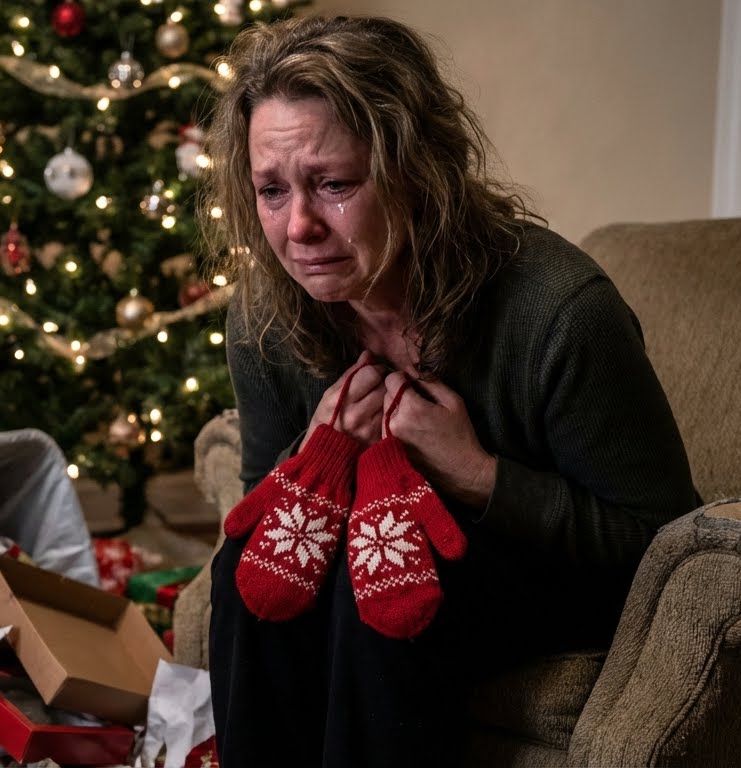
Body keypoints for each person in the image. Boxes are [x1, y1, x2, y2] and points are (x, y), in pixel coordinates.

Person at [199, 14, 701, 767]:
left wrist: (476, 475)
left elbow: (661, 541)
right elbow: (266, 507)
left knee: (382, 583)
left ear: (415, 169)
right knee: (249, 567)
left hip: (546, 572)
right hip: (388, 547)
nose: (298, 226)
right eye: (271, 190)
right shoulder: (266, 313)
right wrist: (314, 459)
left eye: (333, 184)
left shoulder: (560, 312)